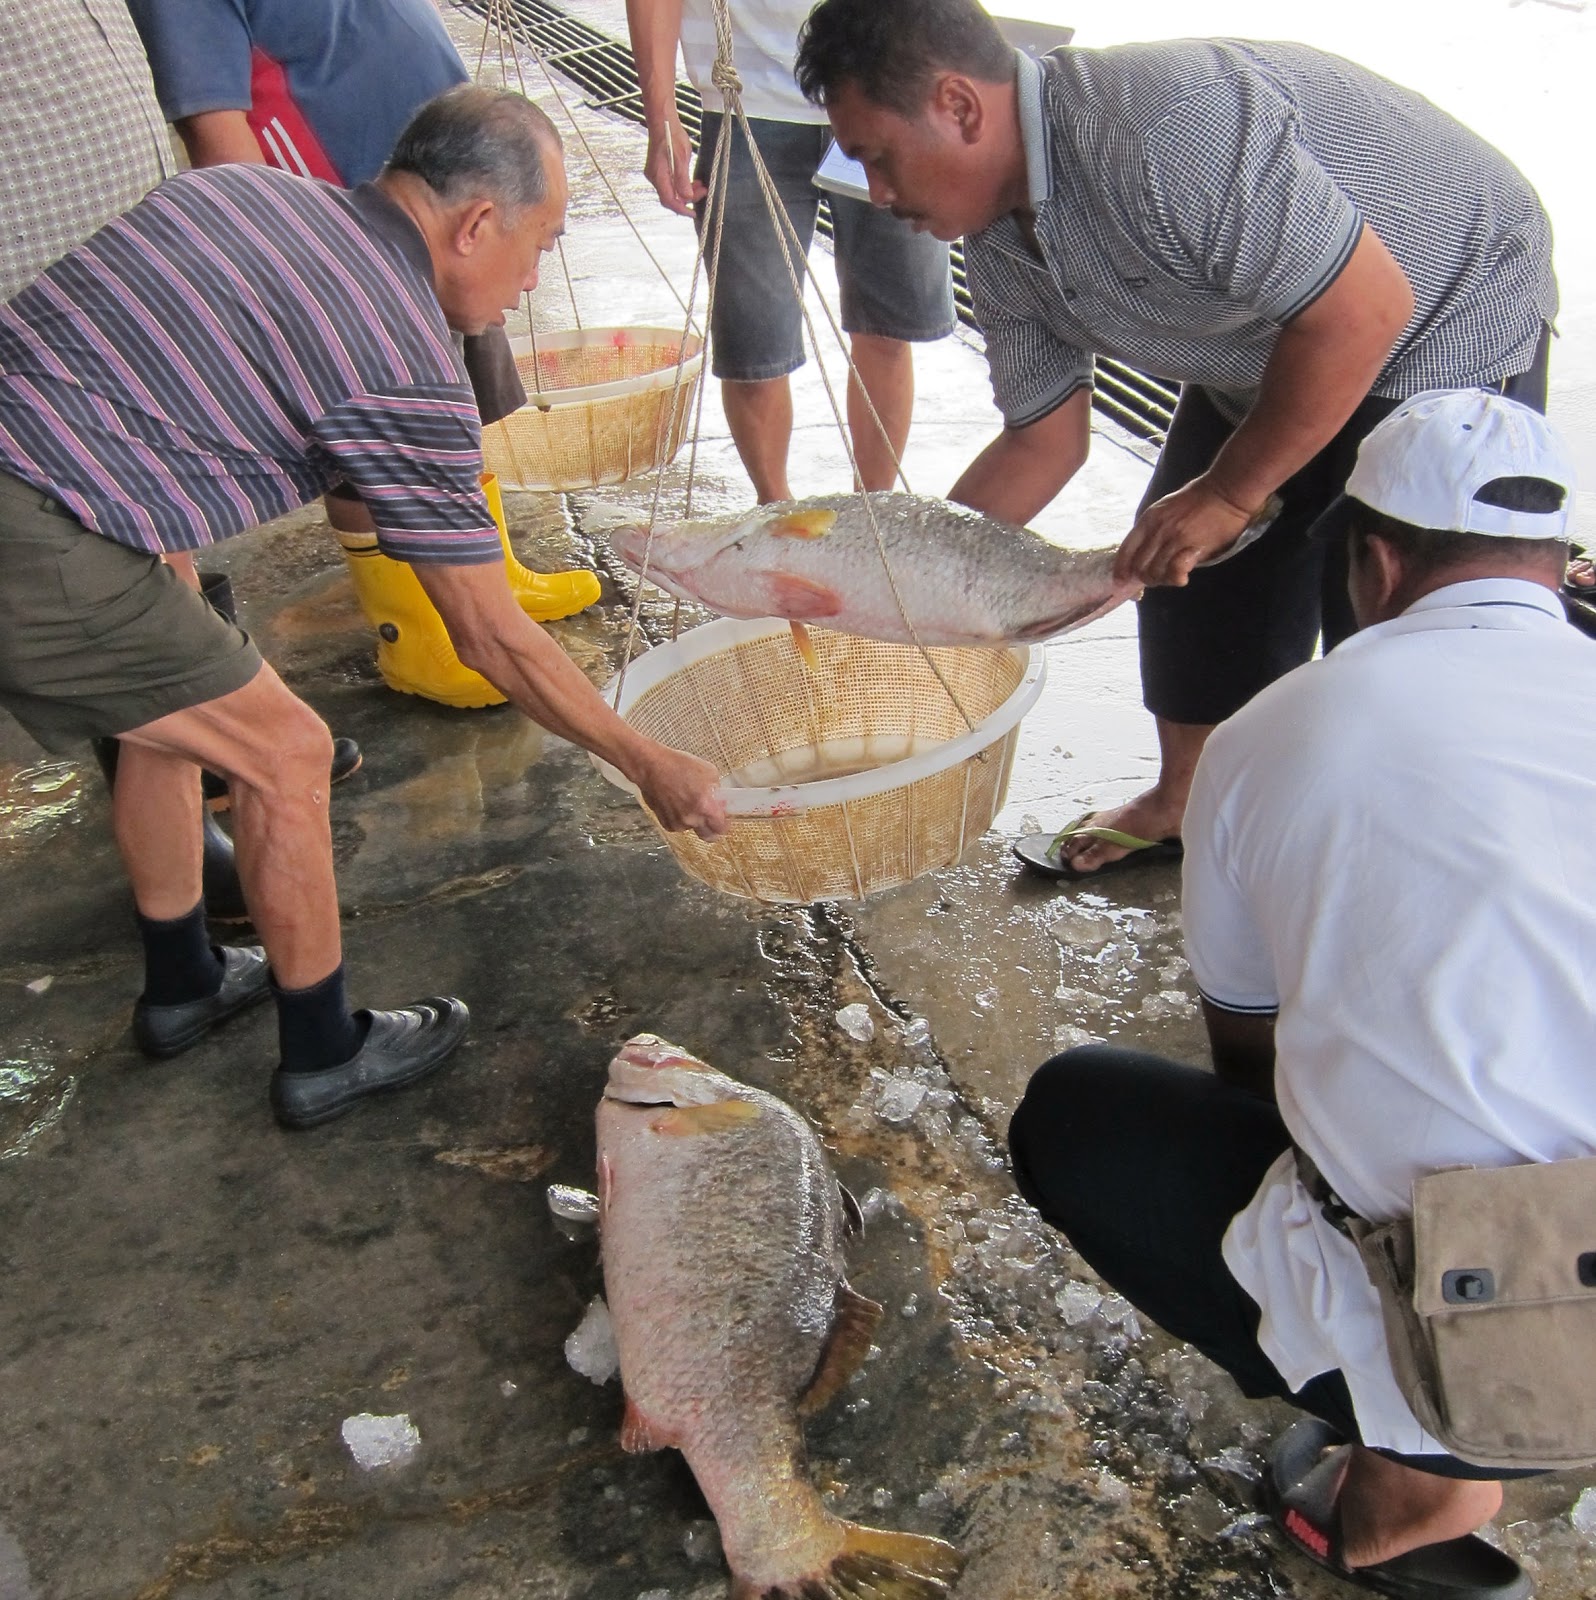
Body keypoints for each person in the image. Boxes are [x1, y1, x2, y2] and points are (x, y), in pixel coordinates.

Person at [0, 85, 727, 1129]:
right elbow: (491, 636)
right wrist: (648, 759)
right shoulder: (403, 361)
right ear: (475, 223)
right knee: (287, 754)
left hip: (52, 480)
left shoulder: (244, 192)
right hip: (32, 538)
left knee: (173, 693)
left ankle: (184, 982)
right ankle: (323, 1048)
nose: (531, 284)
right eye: (538, 245)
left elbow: (108, 375)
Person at [1008, 391, 1592, 1599]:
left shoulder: (1277, 730)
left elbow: (1246, 1043)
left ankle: (1416, 1479)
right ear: (1557, 563)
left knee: (1079, 1112)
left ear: (1373, 563)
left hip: (1489, 1322)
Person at [793, 0, 1558, 877]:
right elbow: (1044, 442)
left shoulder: (1165, 129)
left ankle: (1414, 850)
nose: (878, 196)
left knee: (1392, 612)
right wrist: (889, 572)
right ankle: (1186, 800)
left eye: (878, 159)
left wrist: (1232, 492)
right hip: (1267, 342)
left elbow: (1363, 314)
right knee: (1185, 571)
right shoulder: (998, 242)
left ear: (960, 107)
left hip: (1442, 311)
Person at [126, 0, 600, 709]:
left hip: (455, 187)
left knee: (453, 403)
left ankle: (486, 578)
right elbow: (214, 121)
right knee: (370, 429)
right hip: (352, 199)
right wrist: (286, 266)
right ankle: (421, 631)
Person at [625, 0, 955, 503]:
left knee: (888, 329)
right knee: (753, 349)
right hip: (746, 95)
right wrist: (660, 113)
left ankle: (877, 509)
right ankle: (776, 512)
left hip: (889, 83)